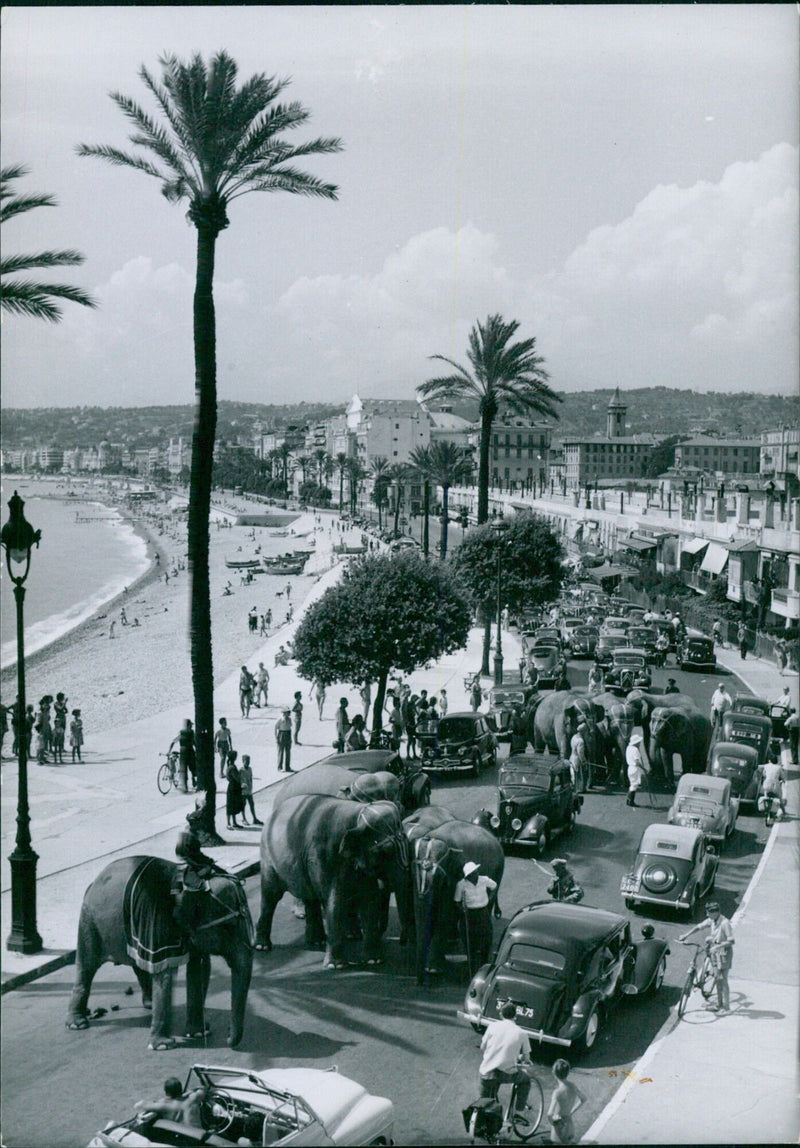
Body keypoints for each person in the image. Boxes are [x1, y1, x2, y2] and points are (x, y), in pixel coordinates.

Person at [477, 1000, 533, 1116]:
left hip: (486, 1072)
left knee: (483, 1102)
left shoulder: (492, 1026)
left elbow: (483, 1047)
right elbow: (526, 1058)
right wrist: (520, 1057)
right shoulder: (522, 1033)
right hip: (506, 1074)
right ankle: (519, 1112)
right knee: (526, 1079)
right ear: (515, 1016)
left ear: (501, 1014)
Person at [679, 901, 734, 1012]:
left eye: (709, 913)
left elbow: (731, 941)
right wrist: (686, 934)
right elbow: (699, 927)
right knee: (717, 978)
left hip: (723, 953)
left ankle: (726, 1006)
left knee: (722, 980)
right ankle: (719, 1004)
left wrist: (718, 947)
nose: (707, 915)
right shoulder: (712, 920)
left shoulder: (725, 923)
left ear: (716, 912)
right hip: (714, 952)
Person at [454, 861, 497, 972]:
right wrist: (462, 909)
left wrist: (490, 898)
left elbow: (494, 886)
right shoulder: (461, 884)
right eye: (473, 873)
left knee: (486, 937)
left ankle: (484, 964)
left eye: (476, 872)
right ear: (468, 875)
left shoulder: (484, 880)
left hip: (483, 912)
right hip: (469, 914)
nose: (476, 874)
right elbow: (457, 901)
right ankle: (471, 965)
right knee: (471, 940)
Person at [134, 1077, 205, 1127]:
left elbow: (138, 1105)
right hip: (199, 1137)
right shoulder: (193, 1098)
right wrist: (190, 1092)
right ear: (181, 1089)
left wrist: (157, 1101)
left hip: (183, 1138)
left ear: (166, 1092)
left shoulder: (164, 1105)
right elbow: (203, 1089)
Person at [547, 1059, 586, 1145]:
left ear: (554, 1073)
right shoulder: (572, 1086)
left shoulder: (557, 1092)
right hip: (569, 1124)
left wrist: (553, 1122)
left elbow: (549, 1114)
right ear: (568, 1072)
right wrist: (571, 1111)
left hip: (559, 1127)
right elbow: (583, 1099)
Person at [239, 754, 262, 826]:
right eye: (246, 761)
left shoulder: (250, 769)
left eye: (249, 761)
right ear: (243, 761)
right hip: (243, 790)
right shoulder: (240, 770)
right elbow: (239, 780)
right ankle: (244, 818)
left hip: (249, 790)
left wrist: (251, 787)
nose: (248, 762)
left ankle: (254, 819)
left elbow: (251, 778)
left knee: (252, 804)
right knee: (243, 805)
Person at [625, 732, 646, 807]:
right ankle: (631, 801)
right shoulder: (635, 750)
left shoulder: (628, 748)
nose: (639, 743)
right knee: (634, 785)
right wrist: (644, 768)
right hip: (634, 768)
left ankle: (628, 800)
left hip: (629, 768)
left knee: (632, 785)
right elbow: (637, 762)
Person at [225, 751, 245, 830]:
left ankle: (233, 822)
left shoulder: (230, 766)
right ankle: (229, 823)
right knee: (231, 805)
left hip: (232, 786)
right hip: (234, 787)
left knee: (232, 805)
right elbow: (237, 778)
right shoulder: (232, 767)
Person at [569, 721, 589, 793]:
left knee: (574, 774)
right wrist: (584, 761)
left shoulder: (574, 737)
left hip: (572, 758)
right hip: (578, 759)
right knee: (580, 774)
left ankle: (576, 788)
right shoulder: (581, 741)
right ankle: (580, 789)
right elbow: (580, 753)